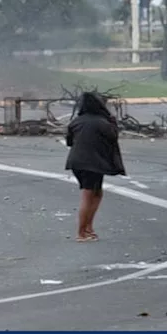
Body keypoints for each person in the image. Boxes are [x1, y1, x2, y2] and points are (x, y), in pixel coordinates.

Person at [65, 91, 126, 242]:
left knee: (97, 193)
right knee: (89, 195)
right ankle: (81, 232)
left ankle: (88, 227)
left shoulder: (76, 122)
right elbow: (113, 137)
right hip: (93, 163)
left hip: (77, 162)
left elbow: (69, 142)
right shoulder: (103, 122)